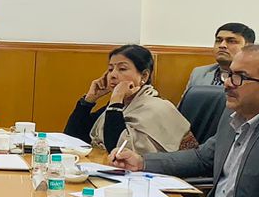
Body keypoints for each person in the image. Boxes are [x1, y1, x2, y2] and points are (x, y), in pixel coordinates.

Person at [111, 44, 259, 197]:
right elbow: (202, 158)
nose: (227, 83)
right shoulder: (235, 113)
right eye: (229, 74)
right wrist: (142, 162)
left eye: (240, 77)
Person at [63, 44, 195, 155]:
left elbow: (118, 150)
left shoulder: (156, 108)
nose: (113, 75)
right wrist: (89, 100)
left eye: (122, 69)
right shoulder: (122, 105)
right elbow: (72, 138)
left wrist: (116, 101)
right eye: (110, 69)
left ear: (144, 76)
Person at [185, 22, 256, 91]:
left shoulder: (256, 77)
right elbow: (189, 99)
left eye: (231, 41)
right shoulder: (199, 73)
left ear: (249, 47)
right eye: (218, 41)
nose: (222, 45)